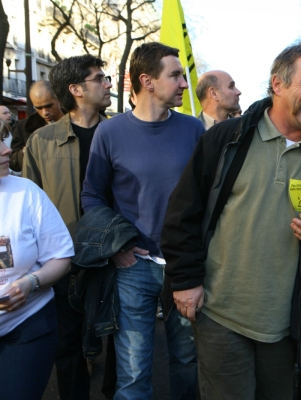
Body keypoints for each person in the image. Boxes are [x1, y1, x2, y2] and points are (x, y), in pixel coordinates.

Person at [161, 44, 301, 399]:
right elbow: (183, 213)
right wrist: (186, 280)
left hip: (287, 325)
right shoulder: (226, 139)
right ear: (278, 85)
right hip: (220, 315)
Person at [81, 42, 204, 400]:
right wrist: (117, 247)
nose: (184, 83)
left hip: (184, 266)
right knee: (133, 373)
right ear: (147, 81)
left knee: (187, 361)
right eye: (176, 75)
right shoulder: (110, 132)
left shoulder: (193, 129)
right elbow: (91, 195)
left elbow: (208, 196)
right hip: (134, 267)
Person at [23, 54, 112, 400]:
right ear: (75, 89)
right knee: (68, 343)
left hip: (115, 255)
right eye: (100, 79)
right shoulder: (41, 142)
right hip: (63, 259)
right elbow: (30, 207)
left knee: (122, 339)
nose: (107, 84)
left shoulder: (119, 132)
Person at [0, 139, 73, 399]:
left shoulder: (26, 192)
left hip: (26, 326)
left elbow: (61, 256)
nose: (7, 149)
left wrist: (30, 282)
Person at [10, 81, 65, 172]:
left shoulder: (76, 122)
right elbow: (13, 163)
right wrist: (26, 152)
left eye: (49, 106)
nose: (45, 112)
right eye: (39, 108)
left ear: (58, 100)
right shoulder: (24, 126)